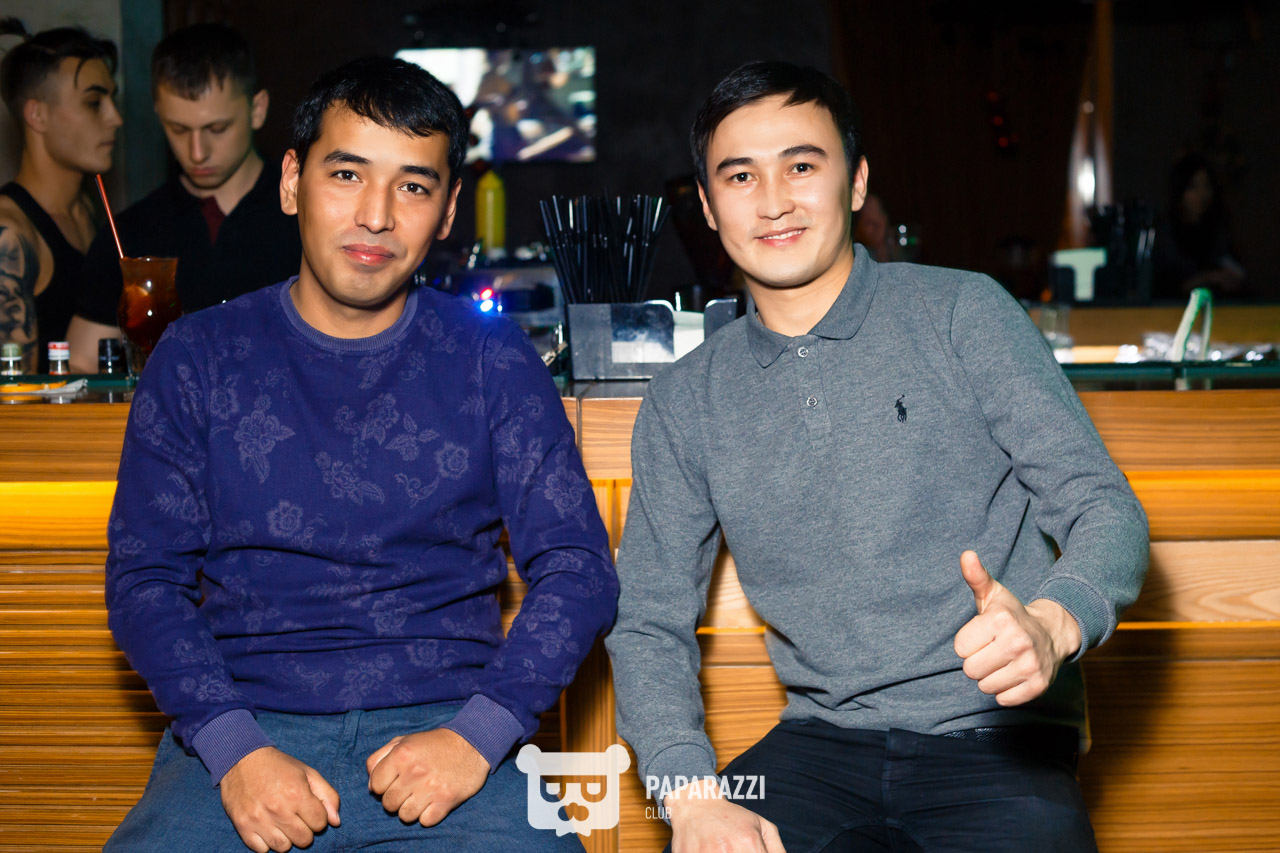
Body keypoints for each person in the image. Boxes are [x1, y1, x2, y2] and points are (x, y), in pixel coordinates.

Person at [606, 61, 1148, 853]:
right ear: (709, 206)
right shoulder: (686, 399)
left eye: (802, 166)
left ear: (856, 183)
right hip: (821, 741)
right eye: (741, 176)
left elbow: (1103, 505)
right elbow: (649, 623)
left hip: (996, 736)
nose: (774, 200)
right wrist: (689, 796)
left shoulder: (962, 311)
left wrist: (1053, 621)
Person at [104, 56, 616, 853]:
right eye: (346, 174)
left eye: (413, 186)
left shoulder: (491, 358)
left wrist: (479, 734)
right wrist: (235, 749)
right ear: (292, 182)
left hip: (448, 728)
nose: (376, 215)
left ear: (447, 210)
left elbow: (579, 568)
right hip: (243, 727)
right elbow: (144, 580)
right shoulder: (199, 356)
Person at [66, 22, 300, 372]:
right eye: (178, 129)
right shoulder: (131, 232)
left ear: (258, 109)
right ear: (158, 114)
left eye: (217, 129)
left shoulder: (309, 218)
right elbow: (81, 362)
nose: (197, 152)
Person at [0, 19, 120, 372]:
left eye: (112, 99)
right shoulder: (10, 232)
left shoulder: (88, 211)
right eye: (94, 102)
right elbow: (13, 397)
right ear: (37, 114)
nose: (115, 118)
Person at [1152, 151, 1246, 301]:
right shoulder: (1164, 233)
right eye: (1193, 186)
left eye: (1207, 185)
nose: (1201, 194)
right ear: (1180, 190)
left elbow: (1233, 268)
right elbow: (1162, 286)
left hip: (1218, 307)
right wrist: (1207, 278)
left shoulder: (1217, 229)